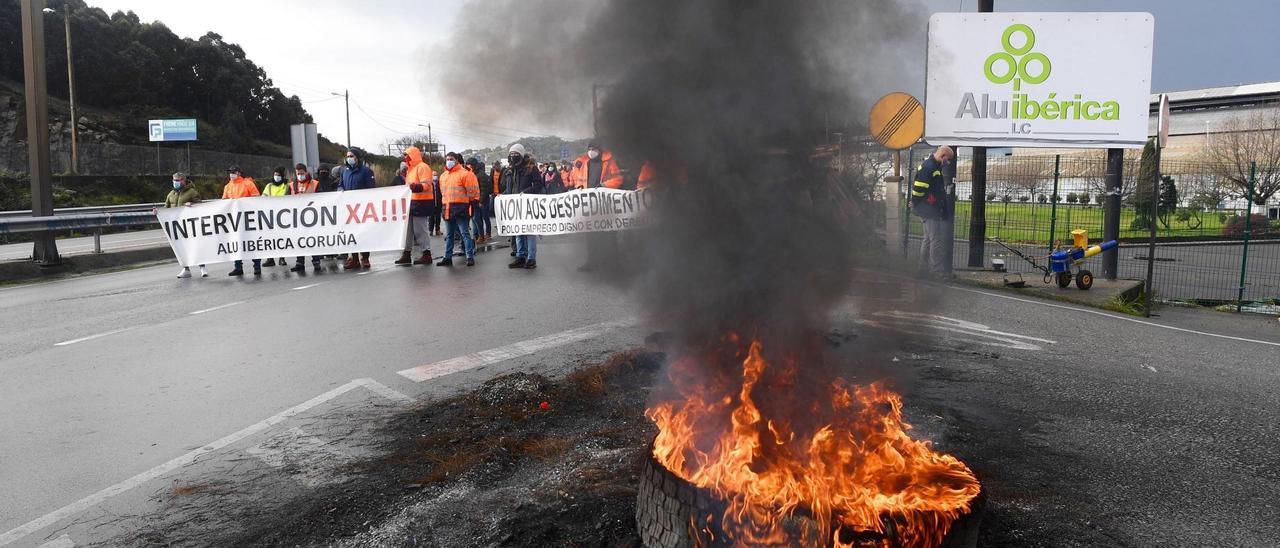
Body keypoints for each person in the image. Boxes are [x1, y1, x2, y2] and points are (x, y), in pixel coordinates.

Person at [910, 145, 955, 278]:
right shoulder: (929, 167)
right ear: (943, 156)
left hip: (929, 209)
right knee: (936, 240)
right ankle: (937, 272)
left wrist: (916, 205)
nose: (949, 162)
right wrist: (916, 204)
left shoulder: (933, 166)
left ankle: (922, 269)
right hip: (929, 210)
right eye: (949, 159)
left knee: (928, 239)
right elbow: (918, 188)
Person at [503, 143, 544, 269]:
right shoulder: (510, 169)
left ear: (521, 154)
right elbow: (509, 187)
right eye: (511, 154)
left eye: (516, 154)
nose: (513, 156)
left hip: (528, 204)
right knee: (518, 231)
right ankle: (520, 256)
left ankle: (531, 258)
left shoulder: (531, 168)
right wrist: (503, 195)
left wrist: (525, 192)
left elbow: (538, 185)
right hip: (514, 205)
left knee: (529, 232)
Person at [436, 151, 480, 267]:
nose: (449, 161)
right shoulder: (443, 176)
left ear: (456, 160)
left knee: (464, 233)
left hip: (461, 208)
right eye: (447, 159)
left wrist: (473, 203)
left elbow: (473, 191)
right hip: (448, 208)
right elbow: (442, 193)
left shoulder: (465, 174)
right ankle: (447, 257)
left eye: (451, 159)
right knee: (450, 235)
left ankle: (469, 256)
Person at [160, 172, 207, 278]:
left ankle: (202, 267)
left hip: (190, 225)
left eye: (178, 180)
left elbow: (201, 205)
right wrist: (158, 212)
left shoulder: (192, 192)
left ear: (183, 180)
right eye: (174, 180)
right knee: (181, 248)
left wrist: (192, 205)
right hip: (177, 226)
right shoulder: (171, 194)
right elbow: (166, 209)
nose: (175, 182)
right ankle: (186, 269)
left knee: (195, 246)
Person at [397, 146, 436, 266]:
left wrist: (417, 187)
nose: (405, 158)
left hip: (422, 202)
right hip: (411, 202)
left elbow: (427, 184)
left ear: (413, 155)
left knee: (420, 230)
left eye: (406, 155)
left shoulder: (422, 167)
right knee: (408, 230)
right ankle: (407, 253)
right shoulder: (410, 169)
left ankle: (426, 253)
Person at [339, 147, 377, 269]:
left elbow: (371, 188)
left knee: (363, 233)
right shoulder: (344, 171)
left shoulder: (366, 171)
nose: (349, 158)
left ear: (357, 158)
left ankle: (365, 258)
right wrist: (340, 190)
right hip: (348, 209)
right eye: (348, 156)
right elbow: (341, 185)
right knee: (351, 234)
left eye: (351, 156)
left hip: (362, 208)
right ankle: (354, 258)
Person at [222, 165, 262, 276]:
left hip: (248, 218)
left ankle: (257, 266)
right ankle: (238, 267)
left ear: (239, 173)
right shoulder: (227, 186)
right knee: (236, 242)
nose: (231, 174)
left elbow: (256, 198)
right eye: (230, 172)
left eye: (233, 172)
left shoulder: (248, 183)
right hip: (234, 220)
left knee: (251, 242)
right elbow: (224, 201)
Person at [290, 163, 323, 272]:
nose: (300, 175)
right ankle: (299, 263)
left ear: (306, 172)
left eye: (302, 173)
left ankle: (316, 261)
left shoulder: (315, 184)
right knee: (299, 240)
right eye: (298, 173)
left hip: (312, 217)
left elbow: (323, 198)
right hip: (297, 218)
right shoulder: (292, 185)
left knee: (312, 240)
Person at [261, 166, 292, 267]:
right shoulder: (269, 186)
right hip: (270, 215)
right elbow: (262, 198)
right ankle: (270, 258)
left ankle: (282, 258)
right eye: (275, 175)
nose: (276, 177)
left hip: (282, 215)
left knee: (281, 238)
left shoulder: (287, 186)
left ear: (282, 176)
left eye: (278, 175)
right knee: (270, 238)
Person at [467, 157, 492, 244]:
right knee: (475, 219)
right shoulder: (472, 174)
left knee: (481, 218)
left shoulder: (481, 175)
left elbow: (484, 189)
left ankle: (483, 235)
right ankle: (477, 235)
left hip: (481, 201)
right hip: (474, 201)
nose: (468, 166)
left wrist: (481, 201)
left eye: (469, 165)